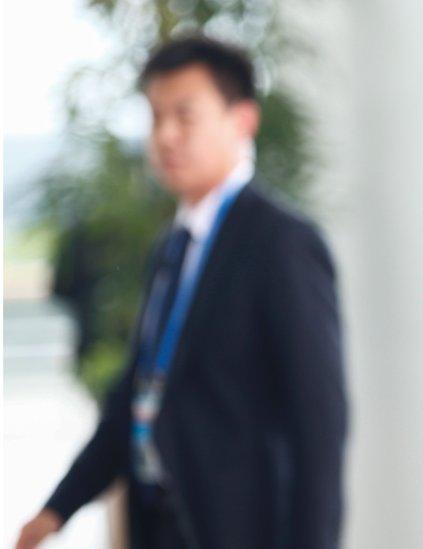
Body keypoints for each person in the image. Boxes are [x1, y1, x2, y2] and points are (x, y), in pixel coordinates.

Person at [16, 36, 346, 549]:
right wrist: (57, 509)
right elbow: (136, 396)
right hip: (162, 523)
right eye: (155, 117)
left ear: (242, 120)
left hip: (241, 530)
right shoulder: (171, 246)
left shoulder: (282, 241)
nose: (166, 135)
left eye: (185, 115)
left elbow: (319, 423)